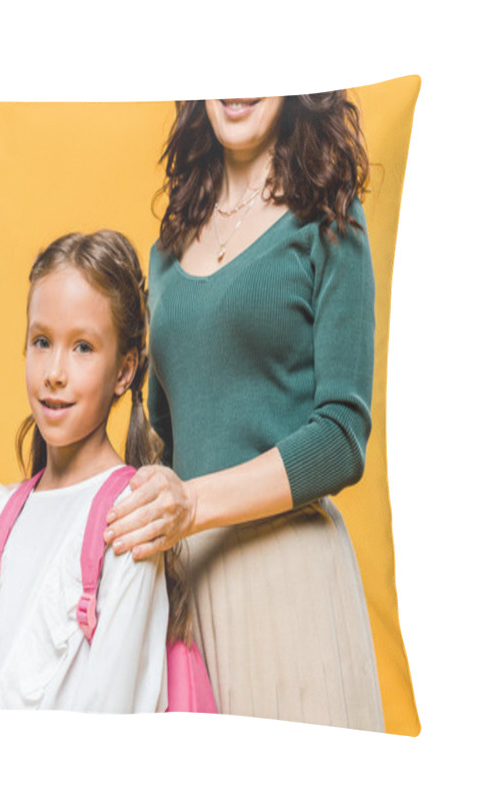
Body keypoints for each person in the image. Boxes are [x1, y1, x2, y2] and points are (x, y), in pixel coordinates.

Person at [103, 95, 386, 731]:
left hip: (289, 586)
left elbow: (342, 437)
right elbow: (162, 448)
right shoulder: (168, 248)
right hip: (186, 592)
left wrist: (194, 505)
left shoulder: (329, 219)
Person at [0, 230, 177, 712]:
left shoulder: (129, 518)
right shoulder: (1, 514)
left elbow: (114, 707)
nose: (55, 371)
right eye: (41, 341)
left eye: (83, 348)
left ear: (124, 371)